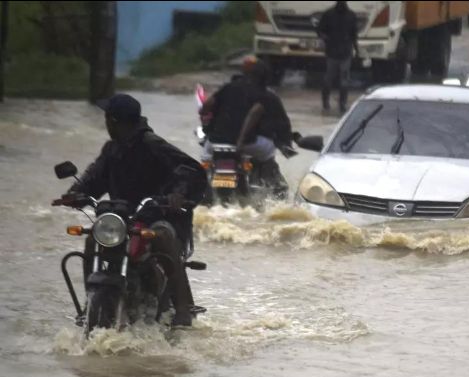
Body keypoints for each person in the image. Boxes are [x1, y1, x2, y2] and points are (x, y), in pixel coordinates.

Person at [55, 94, 208, 326]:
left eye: (108, 118)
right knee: (92, 239)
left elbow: (192, 169)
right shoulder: (112, 149)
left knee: (163, 236)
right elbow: (95, 176)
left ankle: (183, 309)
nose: (106, 123)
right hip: (120, 217)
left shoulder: (151, 144)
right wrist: (76, 193)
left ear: (115, 121)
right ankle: (91, 302)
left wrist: (178, 193)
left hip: (157, 214)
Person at [199, 56, 293, 196]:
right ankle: (275, 187)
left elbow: (205, 108)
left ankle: (203, 186)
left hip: (216, 142)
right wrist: (286, 143)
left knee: (206, 157)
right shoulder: (267, 95)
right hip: (248, 144)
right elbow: (273, 120)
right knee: (268, 154)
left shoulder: (228, 88)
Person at [317, 1, 359, 114]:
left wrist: (326, 38)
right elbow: (354, 35)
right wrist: (356, 49)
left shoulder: (330, 14)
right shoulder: (349, 15)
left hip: (338, 51)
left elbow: (320, 30)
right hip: (339, 51)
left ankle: (336, 104)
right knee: (338, 79)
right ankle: (337, 104)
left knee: (335, 79)